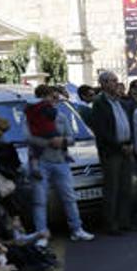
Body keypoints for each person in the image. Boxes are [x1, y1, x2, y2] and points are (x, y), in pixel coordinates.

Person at [26, 85, 94, 244]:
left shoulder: (61, 116)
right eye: (51, 97)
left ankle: (77, 229)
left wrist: (62, 141)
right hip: (40, 161)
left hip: (60, 161)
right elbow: (27, 139)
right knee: (40, 199)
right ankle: (41, 235)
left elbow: (71, 138)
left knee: (69, 196)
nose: (54, 100)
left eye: (54, 97)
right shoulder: (32, 117)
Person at [88, 70, 136, 233]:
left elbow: (127, 124)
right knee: (112, 188)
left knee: (126, 187)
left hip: (126, 148)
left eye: (116, 81)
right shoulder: (99, 103)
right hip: (112, 152)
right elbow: (102, 131)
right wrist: (119, 146)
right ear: (104, 84)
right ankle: (111, 223)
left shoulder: (120, 102)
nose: (116, 84)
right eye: (112, 81)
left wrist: (130, 144)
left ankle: (125, 221)